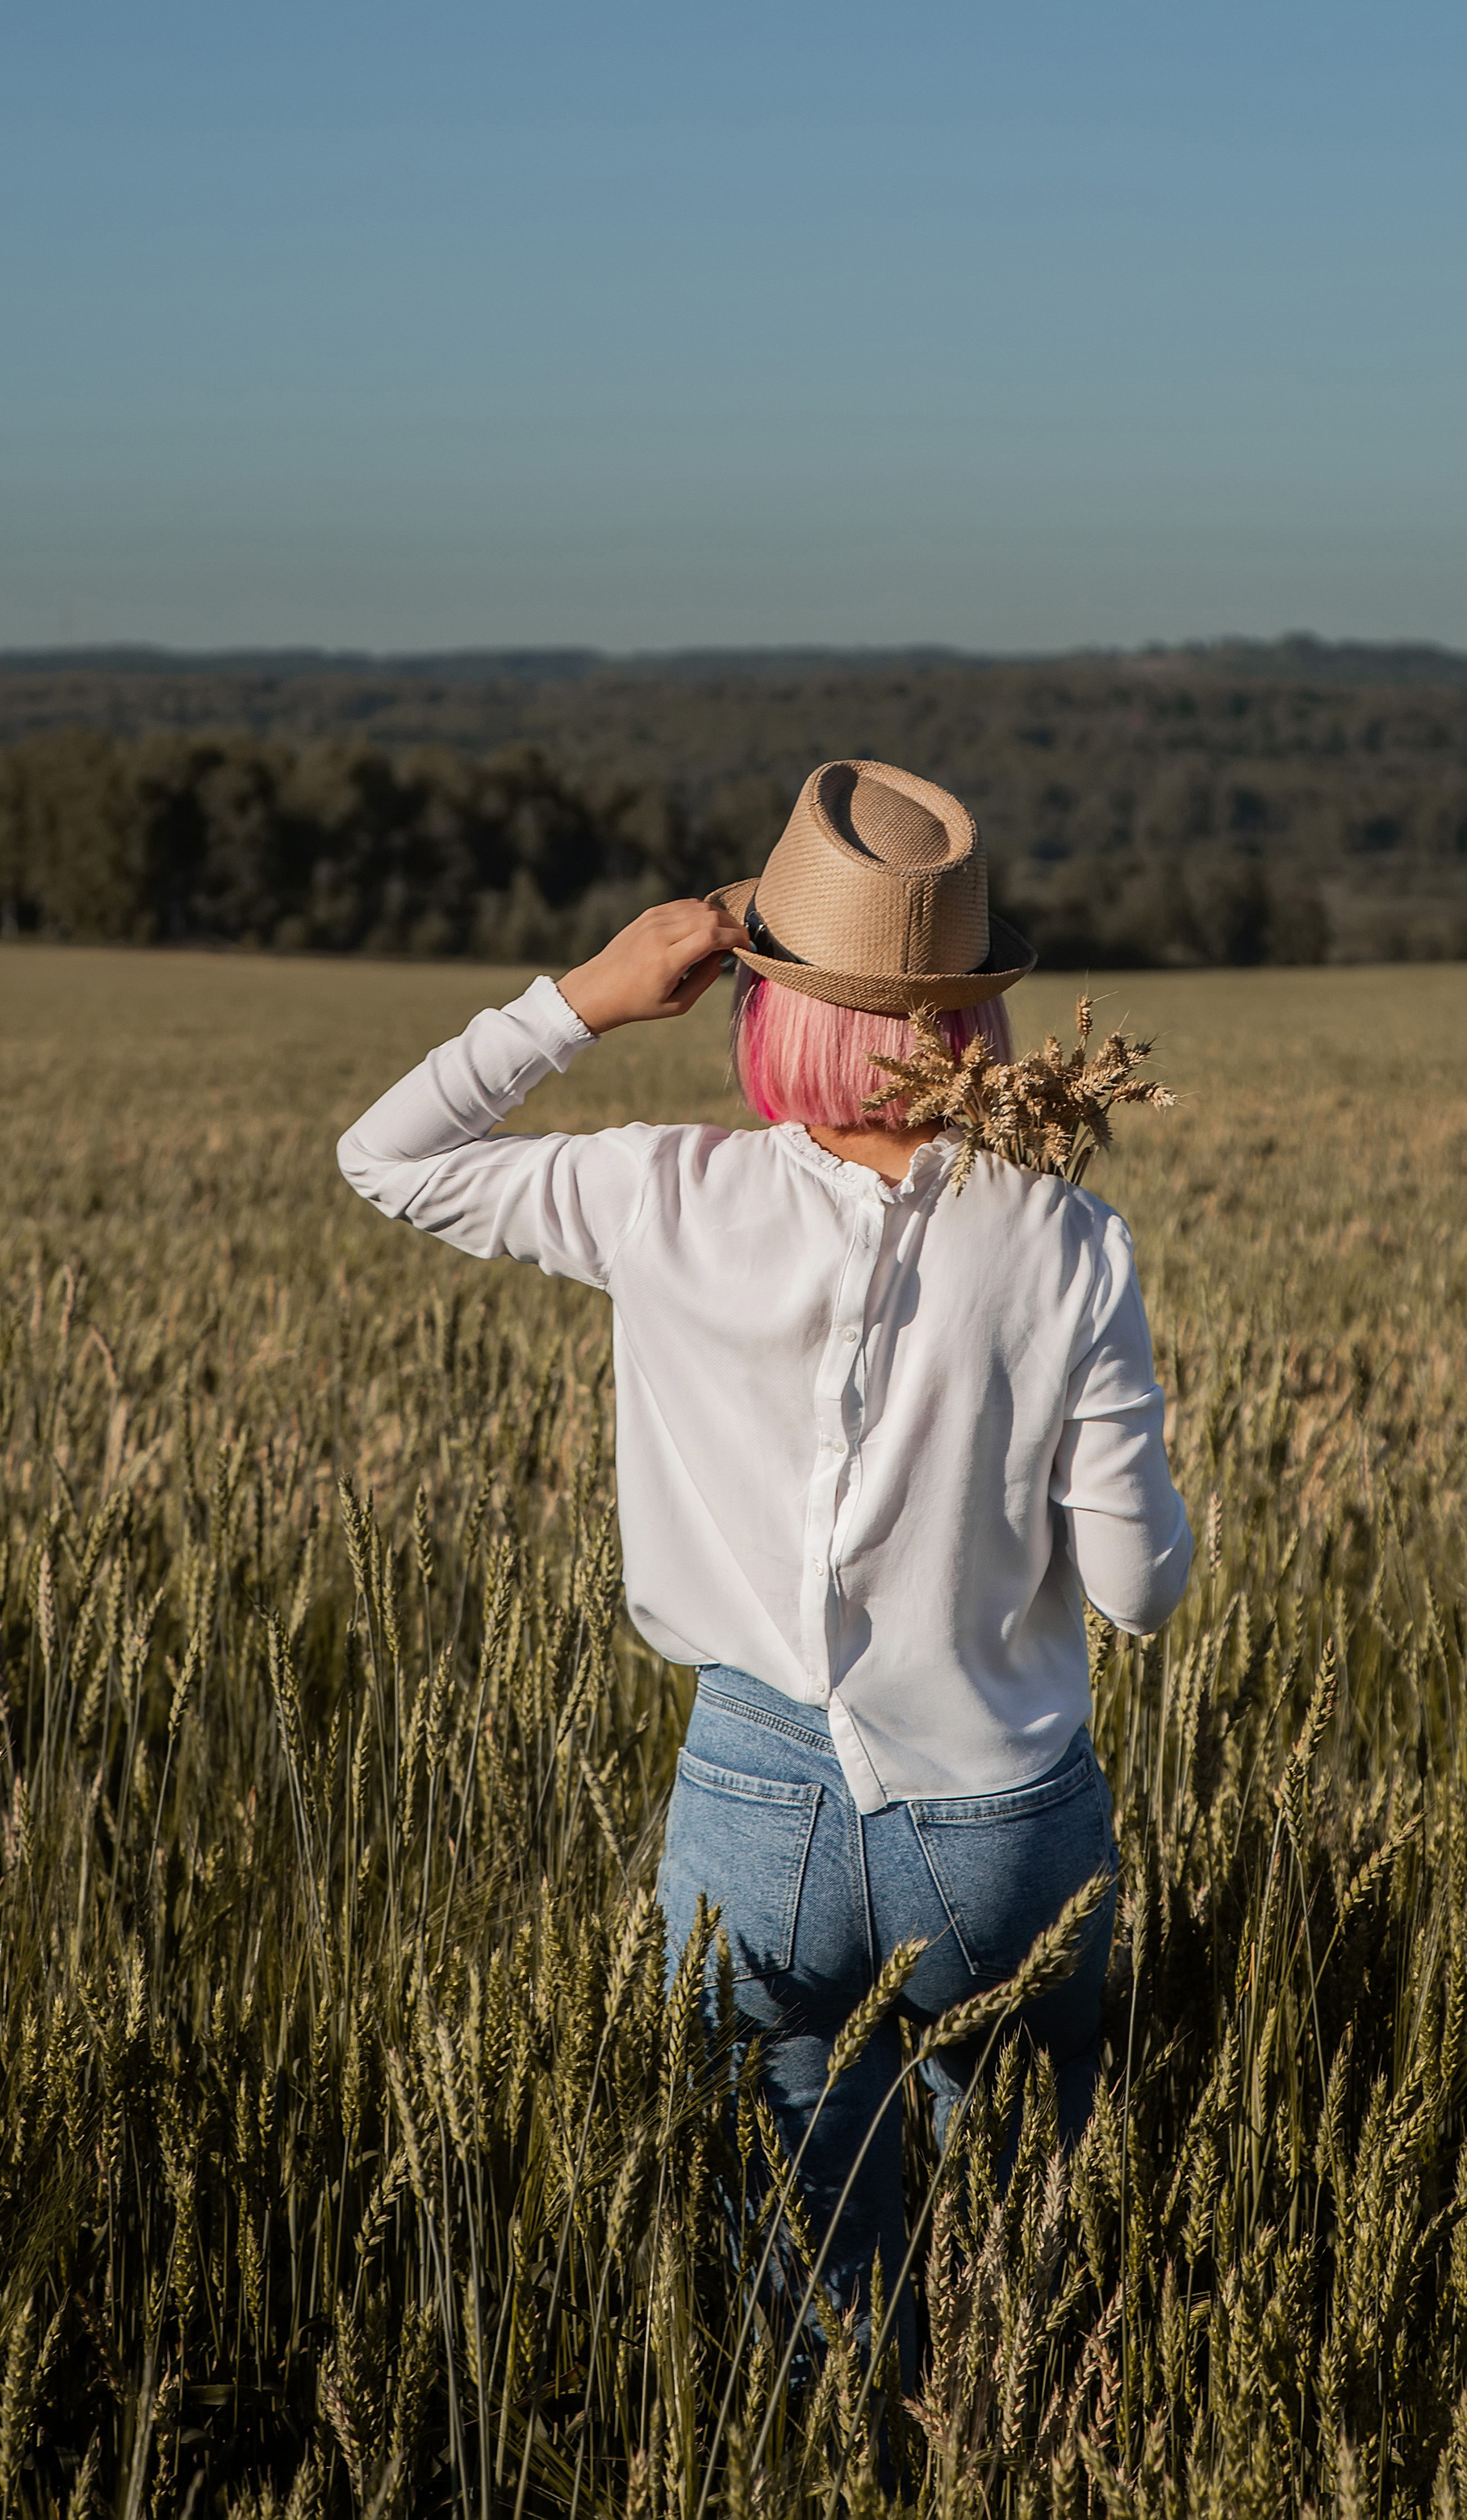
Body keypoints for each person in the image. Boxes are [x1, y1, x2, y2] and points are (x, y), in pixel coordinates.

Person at [336, 757, 1192, 2353]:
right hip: (1001, 1813)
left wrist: (589, 993)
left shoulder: (662, 1192)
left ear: (764, 999)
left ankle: (831, 2444)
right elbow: (1142, 1588)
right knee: (1024, 2251)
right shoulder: (1068, 1241)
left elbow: (389, 1159)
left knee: (802, 2262)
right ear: (973, 1016)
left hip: (750, 1799)